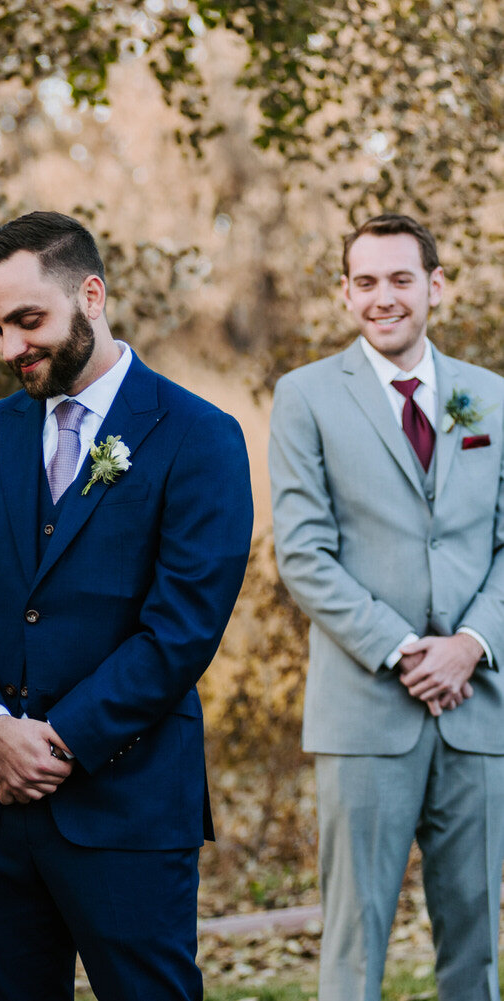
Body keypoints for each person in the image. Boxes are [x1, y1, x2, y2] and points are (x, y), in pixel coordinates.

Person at [0, 211, 253, 1001]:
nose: (9, 349)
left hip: (127, 807)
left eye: (27, 321)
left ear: (91, 294)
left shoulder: (200, 437)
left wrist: (57, 741)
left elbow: (182, 630)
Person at [270, 213, 504, 1001]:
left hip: (479, 707)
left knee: (475, 945)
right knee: (354, 942)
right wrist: (409, 650)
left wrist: (469, 643)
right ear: (345, 293)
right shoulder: (304, 397)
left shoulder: (491, 398)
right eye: (365, 281)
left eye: (401, 278)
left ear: (435, 286)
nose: (384, 297)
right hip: (367, 708)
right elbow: (303, 553)